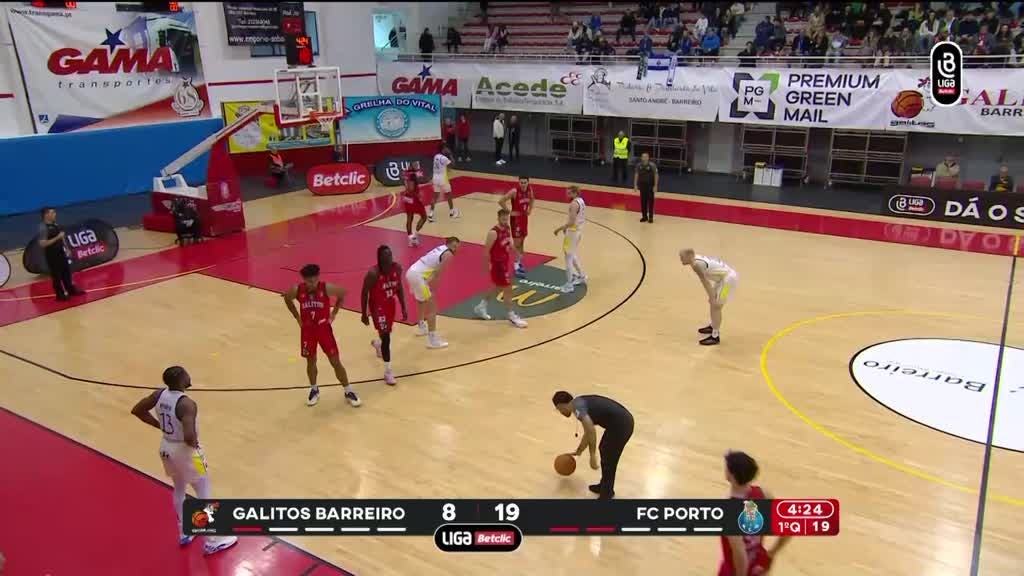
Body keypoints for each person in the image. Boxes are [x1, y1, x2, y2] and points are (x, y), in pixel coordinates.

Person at [130, 366, 238, 555]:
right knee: (204, 491)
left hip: (166, 447)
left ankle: (184, 532)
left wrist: (160, 426)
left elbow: (137, 410)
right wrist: (196, 446)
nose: (190, 376)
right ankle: (212, 540)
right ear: (181, 380)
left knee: (179, 487)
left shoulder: (159, 394)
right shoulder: (187, 404)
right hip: (186, 452)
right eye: (186, 374)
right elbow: (189, 435)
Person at [282, 265, 362, 407]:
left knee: (335, 362)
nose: (312, 283)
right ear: (304, 280)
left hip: (323, 329)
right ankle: (314, 389)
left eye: (314, 280)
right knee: (311, 361)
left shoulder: (326, 288)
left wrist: (334, 313)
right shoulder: (297, 290)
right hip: (307, 330)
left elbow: (343, 293)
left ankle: (348, 390)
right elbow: (287, 299)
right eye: (309, 281)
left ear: (318, 278)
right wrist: (297, 317)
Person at [719, 451, 791, 576]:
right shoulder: (763, 494)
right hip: (758, 565)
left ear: (731, 475)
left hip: (735, 570)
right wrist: (770, 554)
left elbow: (739, 553)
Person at [552, 390, 634, 500]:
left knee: (609, 457)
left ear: (561, 405)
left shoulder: (577, 409)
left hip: (622, 425)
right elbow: (588, 432)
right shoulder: (578, 403)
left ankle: (607, 493)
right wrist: (579, 450)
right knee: (605, 451)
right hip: (621, 422)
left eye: (559, 409)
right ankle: (605, 487)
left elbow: (591, 431)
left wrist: (592, 456)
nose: (560, 412)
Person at [473, 209, 529, 328]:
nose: (505, 219)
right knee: (508, 288)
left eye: (506, 217)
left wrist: (517, 253)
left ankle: (481, 306)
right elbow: (486, 251)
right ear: (498, 217)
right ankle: (511, 316)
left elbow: (509, 243)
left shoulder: (507, 228)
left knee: (497, 287)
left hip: (504, 262)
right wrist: (486, 266)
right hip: (497, 264)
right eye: (503, 217)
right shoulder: (493, 232)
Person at [361, 245, 407, 386]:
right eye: (386, 255)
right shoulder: (373, 273)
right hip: (377, 307)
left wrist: (404, 307)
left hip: (390, 305)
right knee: (386, 337)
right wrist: (364, 313)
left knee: (386, 333)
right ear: (380, 257)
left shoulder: (397, 268)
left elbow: (399, 288)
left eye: (390, 254)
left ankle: (378, 345)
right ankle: (388, 372)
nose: (389, 257)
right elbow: (364, 293)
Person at [406, 237, 460, 349]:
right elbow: (437, 273)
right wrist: (433, 289)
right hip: (419, 277)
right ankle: (433, 340)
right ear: (449, 244)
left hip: (411, 272)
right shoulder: (448, 254)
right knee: (432, 308)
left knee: (421, 300)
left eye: (457, 246)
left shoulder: (440, 248)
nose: (456, 248)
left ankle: (421, 327)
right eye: (454, 246)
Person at [679, 249, 737, 346]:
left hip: (728, 281)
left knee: (717, 306)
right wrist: (711, 297)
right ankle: (713, 326)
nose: (680, 259)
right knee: (713, 303)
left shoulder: (696, 265)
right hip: (722, 279)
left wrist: (712, 297)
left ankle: (715, 336)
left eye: (682, 257)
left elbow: (705, 282)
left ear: (689, 256)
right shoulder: (696, 259)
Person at [37, 207, 84, 301]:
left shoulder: (55, 224)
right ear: (46, 215)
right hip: (51, 255)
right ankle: (60, 295)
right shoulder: (43, 228)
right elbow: (42, 243)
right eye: (52, 212)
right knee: (56, 275)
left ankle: (71, 290)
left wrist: (67, 248)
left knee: (66, 272)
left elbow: (62, 237)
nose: (55, 214)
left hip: (61, 252)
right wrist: (57, 237)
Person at [553, 185, 587, 293]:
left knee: (568, 257)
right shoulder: (581, 201)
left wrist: (559, 228)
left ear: (575, 193)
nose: (566, 195)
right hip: (578, 231)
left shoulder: (573, 204)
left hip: (572, 233)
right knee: (572, 254)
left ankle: (569, 284)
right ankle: (581, 276)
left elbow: (571, 222)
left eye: (569, 193)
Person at [499, 176, 535, 278]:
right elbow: (501, 201)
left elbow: (532, 199)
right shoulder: (514, 191)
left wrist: (530, 209)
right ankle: (515, 266)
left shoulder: (529, 190)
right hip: (516, 220)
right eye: (521, 182)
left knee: (522, 241)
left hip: (524, 218)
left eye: (525, 182)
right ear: (519, 182)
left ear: (528, 182)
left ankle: (519, 262)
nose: (523, 184)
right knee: (517, 243)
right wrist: (509, 212)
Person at [430, 143, 460, 222]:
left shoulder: (435, 156)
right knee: (449, 195)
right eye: (446, 148)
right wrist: (450, 154)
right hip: (443, 178)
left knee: (435, 196)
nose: (447, 149)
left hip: (435, 178)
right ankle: (452, 212)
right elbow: (453, 165)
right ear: (443, 149)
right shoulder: (444, 158)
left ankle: (430, 214)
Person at [402, 162, 428, 246]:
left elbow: (407, 185)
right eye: (415, 164)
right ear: (411, 165)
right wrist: (418, 196)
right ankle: (414, 237)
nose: (417, 165)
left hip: (406, 198)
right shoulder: (412, 175)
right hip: (413, 198)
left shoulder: (406, 173)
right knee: (424, 217)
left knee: (409, 217)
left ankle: (410, 238)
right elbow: (411, 188)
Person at [634, 152, 658, 223]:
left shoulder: (652, 165)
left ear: (648, 158)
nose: (644, 158)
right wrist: (635, 185)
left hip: (650, 185)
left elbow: (656, 175)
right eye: (643, 157)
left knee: (650, 202)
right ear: (641, 158)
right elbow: (636, 174)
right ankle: (644, 216)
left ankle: (650, 217)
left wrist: (655, 186)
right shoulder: (639, 165)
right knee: (643, 201)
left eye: (645, 157)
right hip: (642, 186)